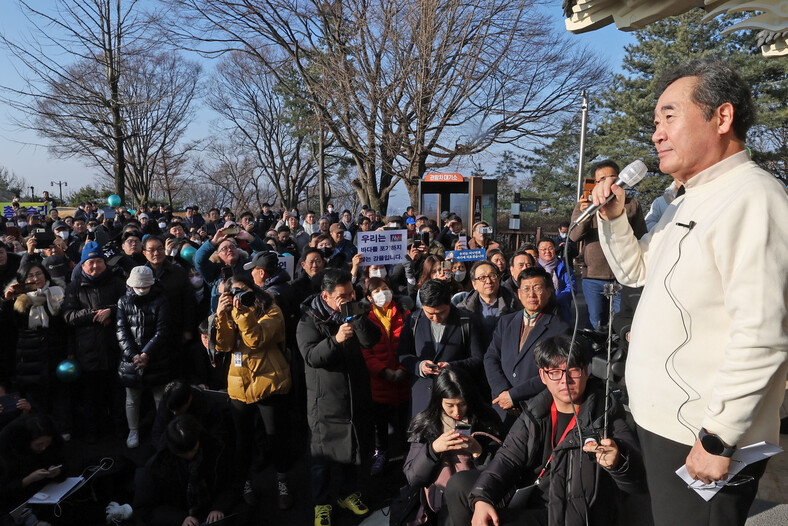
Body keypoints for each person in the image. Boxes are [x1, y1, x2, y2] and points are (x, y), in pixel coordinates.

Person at [593, 58, 788, 526]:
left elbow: (763, 333)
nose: (657, 133)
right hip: (661, 423)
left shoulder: (754, 198)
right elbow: (637, 270)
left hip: (702, 435)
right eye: (655, 122)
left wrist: (719, 436)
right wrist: (616, 219)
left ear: (722, 118)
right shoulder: (687, 197)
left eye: (669, 117)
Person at [446, 334, 644, 526]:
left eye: (573, 371)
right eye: (555, 373)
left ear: (585, 371)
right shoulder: (536, 410)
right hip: (529, 492)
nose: (565, 381)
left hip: (571, 510)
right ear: (543, 376)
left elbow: (638, 481)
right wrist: (483, 497)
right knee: (460, 485)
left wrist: (618, 461)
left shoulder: (606, 413)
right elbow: (507, 458)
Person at [296, 270, 381, 526]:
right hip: (325, 401)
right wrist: (336, 340)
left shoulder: (353, 310)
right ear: (326, 295)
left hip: (355, 396)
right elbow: (311, 356)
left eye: (351, 293)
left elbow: (371, 340)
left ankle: (346, 494)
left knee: (350, 451)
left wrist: (358, 319)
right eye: (341, 296)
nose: (347, 299)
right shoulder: (308, 321)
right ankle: (321, 503)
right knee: (321, 458)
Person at [215, 275, 294, 510]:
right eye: (235, 293)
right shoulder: (229, 312)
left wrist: (241, 314)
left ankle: (282, 480)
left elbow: (255, 339)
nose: (241, 297)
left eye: (245, 291)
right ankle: (246, 482)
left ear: (255, 290)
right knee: (243, 440)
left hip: (269, 381)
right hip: (240, 384)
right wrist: (220, 315)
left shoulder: (272, 309)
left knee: (276, 437)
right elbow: (224, 346)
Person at [403, 368, 501, 526]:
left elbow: (504, 467)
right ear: (438, 399)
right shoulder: (426, 424)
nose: (457, 412)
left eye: (462, 404)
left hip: (480, 499)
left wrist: (479, 452)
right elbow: (412, 476)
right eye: (450, 405)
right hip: (442, 505)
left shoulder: (486, 419)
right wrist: (433, 450)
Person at [484, 267, 569, 428]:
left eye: (537, 288)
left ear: (549, 292)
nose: (531, 294)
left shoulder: (560, 328)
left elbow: (554, 371)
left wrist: (514, 395)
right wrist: (503, 391)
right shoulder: (506, 322)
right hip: (502, 406)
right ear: (519, 293)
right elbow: (491, 357)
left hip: (536, 408)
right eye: (526, 288)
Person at [570, 160, 647, 331]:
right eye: (602, 178)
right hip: (594, 276)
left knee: (621, 322)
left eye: (612, 176)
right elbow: (574, 235)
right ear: (594, 183)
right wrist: (586, 213)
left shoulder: (631, 204)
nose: (607, 181)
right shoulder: (585, 205)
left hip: (624, 276)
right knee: (595, 322)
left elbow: (642, 236)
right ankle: (595, 355)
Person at [63, 241, 127, 442]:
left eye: (99, 261)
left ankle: (119, 432)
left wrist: (112, 310)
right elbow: (68, 316)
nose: (95, 266)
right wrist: (92, 315)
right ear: (82, 265)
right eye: (90, 262)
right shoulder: (74, 286)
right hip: (87, 350)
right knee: (91, 396)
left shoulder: (117, 282)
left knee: (118, 395)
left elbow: (128, 307)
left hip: (114, 348)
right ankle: (93, 435)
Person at [134, 415, 244, 526]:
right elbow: (144, 507)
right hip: (179, 516)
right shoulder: (157, 466)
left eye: (193, 449)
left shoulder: (217, 449)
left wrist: (219, 507)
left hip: (211, 509)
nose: (191, 454)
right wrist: (180, 519)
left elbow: (234, 480)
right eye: (185, 453)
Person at [398, 279, 483, 418]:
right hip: (423, 399)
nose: (436, 318)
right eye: (430, 313)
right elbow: (402, 354)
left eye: (441, 312)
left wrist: (452, 367)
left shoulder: (466, 321)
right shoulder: (414, 320)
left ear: (449, 302)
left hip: (455, 399)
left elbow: (478, 358)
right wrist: (419, 366)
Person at [1, 262, 68, 433]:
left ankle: (62, 432)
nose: (35, 278)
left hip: (56, 356)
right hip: (29, 361)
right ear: (23, 279)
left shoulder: (58, 294)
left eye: (39, 274)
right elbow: (6, 327)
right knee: (36, 404)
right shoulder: (18, 301)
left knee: (60, 399)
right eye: (30, 276)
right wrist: (6, 301)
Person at [360, 277, 411, 476]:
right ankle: (381, 453)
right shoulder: (365, 319)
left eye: (386, 288)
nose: (383, 293)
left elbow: (411, 345)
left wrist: (402, 369)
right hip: (379, 383)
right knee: (379, 424)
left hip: (404, 380)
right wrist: (383, 371)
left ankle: (408, 455)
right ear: (369, 297)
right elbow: (366, 352)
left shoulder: (405, 314)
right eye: (377, 291)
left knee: (405, 423)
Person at [116, 266, 170, 449]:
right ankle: (133, 430)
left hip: (156, 356)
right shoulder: (123, 301)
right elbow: (121, 331)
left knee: (160, 398)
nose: (141, 289)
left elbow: (162, 331)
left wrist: (147, 353)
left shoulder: (161, 300)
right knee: (132, 398)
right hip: (131, 358)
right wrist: (133, 355)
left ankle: (162, 430)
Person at [0, 414, 64, 519]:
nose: (44, 447)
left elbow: (62, 460)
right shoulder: (6, 451)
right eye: (39, 445)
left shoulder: (52, 443)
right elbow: (4, 490)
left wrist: (58, 470)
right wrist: (28, 480)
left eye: (47, 442)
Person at [456, 260, 519, 344]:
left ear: (499, 278)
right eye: (482, 278)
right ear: (474, 284)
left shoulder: (514, 304)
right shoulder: (463, 310)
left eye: (492, 276)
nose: (488, 281)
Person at [536, 238, 575, 323]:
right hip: (539, 309)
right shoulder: (535, 268)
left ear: (555, 249)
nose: (547, 251)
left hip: (561, 308)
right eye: (544, 249)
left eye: (550, 248)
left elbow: (571, 288)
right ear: (538, 251)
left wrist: (558, 299)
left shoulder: (565, 267)